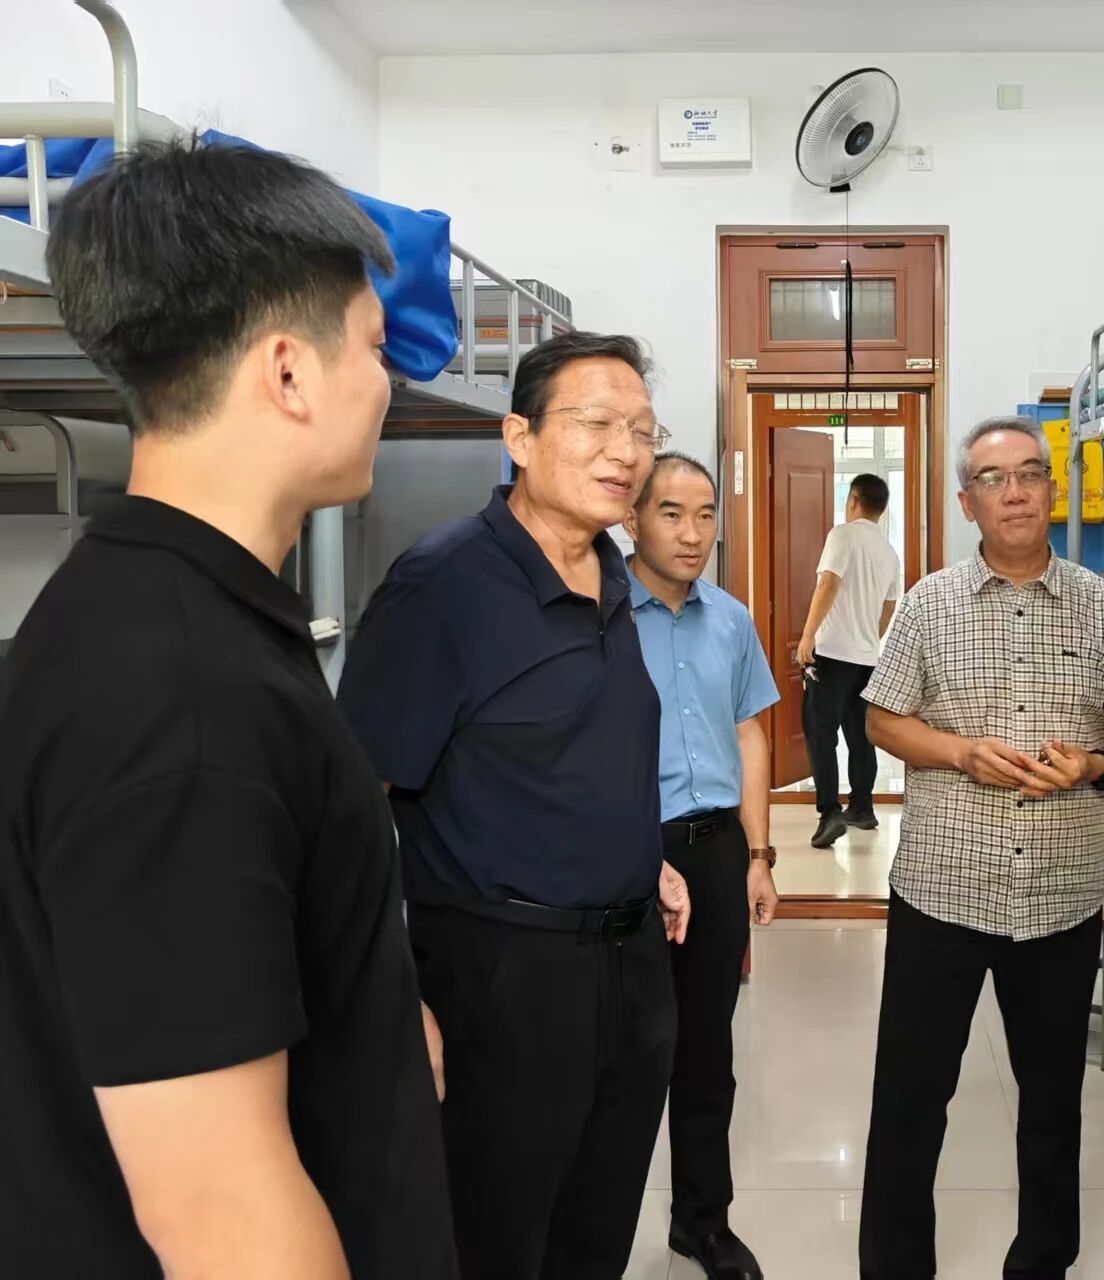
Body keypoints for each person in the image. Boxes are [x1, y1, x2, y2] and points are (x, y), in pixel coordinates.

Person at [0, 141, 456, 1277]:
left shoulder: (174, 608)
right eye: (374, 348)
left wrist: (374, 1011)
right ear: (290, 372)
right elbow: (223, 1217)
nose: (388, 383)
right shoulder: (178, 702)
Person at [336, 330, 691, 1279]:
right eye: (597, 424)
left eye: (643, 431)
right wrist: (390, 993)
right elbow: (351, 805)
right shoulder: (443, 585)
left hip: (632, 967)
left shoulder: (612, 574)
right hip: (501, 974)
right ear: (520, 438)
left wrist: (642, 857)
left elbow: (557, 757)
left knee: (596, 1230)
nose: (626, 451)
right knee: (495, 1240)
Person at [857, 416, 1104, 1280]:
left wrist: (1097, 763)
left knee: (1052, 1102)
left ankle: (1042, 1262)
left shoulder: (1103, 607)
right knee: (910, 1099)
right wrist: (960, 753)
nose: (1017, 491)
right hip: (942, 893)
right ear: (968, 502)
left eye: (1031, 473)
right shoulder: (929, 604)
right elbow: (882, 719)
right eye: (994, 479)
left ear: (1052, 490)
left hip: (1060, 900)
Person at [624, 452, 781, 1280]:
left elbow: (751, 735)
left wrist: (757, 855)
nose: (692, 534)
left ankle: (701, 1222)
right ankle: (591, 1231)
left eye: (706, 514)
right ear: (632, 520)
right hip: (626, 853)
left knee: (705, 1049)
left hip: (716, 848)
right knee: (622, 1050)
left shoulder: (731, 619)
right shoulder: (599, 614)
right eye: (671, 513)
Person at [795, 473, 903, 848]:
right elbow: (889, 606)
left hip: (831, 653)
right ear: (881, 508)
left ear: (853, 501)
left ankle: (829, 814)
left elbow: (828, 583)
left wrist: (808, 635)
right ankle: (862, 807)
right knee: (860, 736)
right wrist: (870, 638)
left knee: (820, 732)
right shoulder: (889, 553)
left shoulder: (841, 536)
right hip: (866, 658)